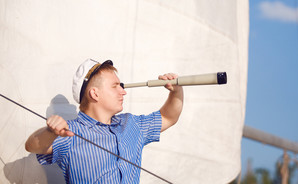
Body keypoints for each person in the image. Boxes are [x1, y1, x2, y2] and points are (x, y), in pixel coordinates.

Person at [25, 59, 184, 183]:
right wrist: (50, 132)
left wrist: (176, 91)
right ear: (95, 94)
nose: (123, 92)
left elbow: (168, 117)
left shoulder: (132, 124)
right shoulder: (71, 132)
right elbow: (32, 146)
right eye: (116, 86)